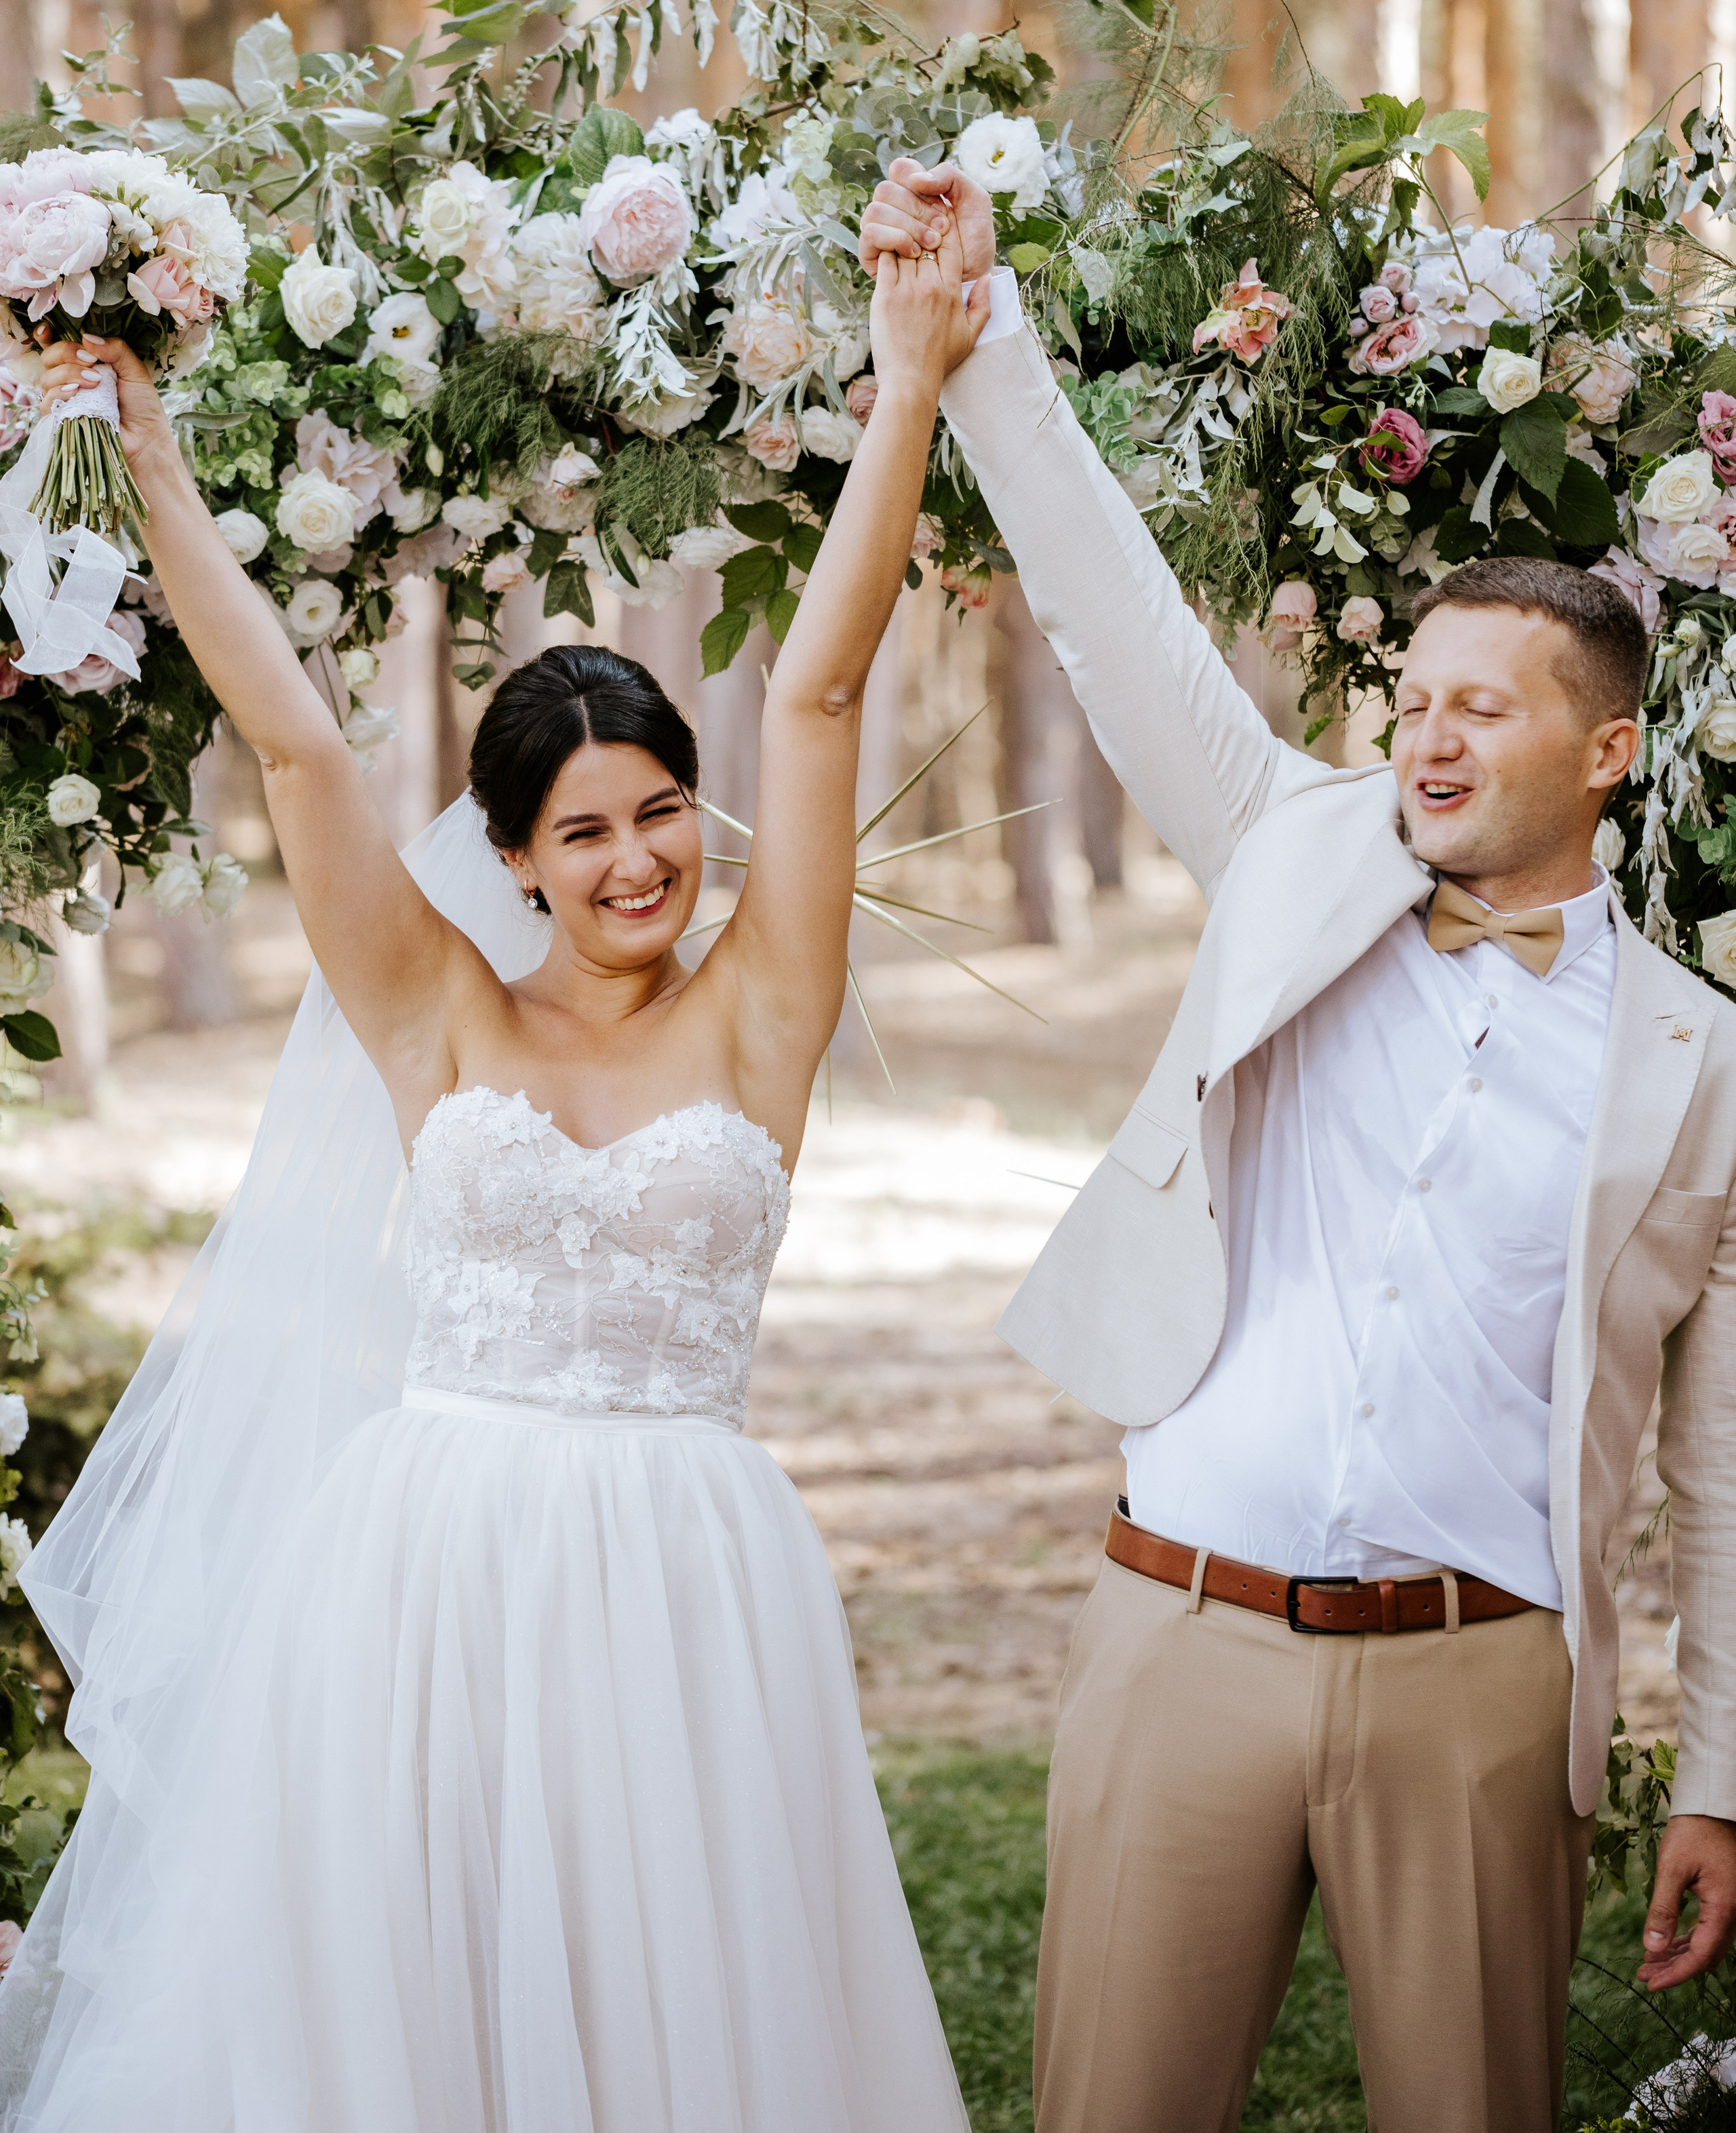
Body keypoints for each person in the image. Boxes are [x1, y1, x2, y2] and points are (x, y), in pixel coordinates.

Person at [0, 218, 989, 2132]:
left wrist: (912, 386)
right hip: (429, 1564)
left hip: (686, 1571)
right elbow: (295, 755)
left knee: (673, 1974)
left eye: (660, 815)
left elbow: (821, 695)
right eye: (583, 831)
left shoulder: (763, 1011)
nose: (638, 864)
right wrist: (158, 473)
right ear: (516, 855)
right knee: (424, 1985)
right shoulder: (435, 1016)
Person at [860, 158, 1736, 2133]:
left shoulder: (1701, 1062)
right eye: (1412, 698)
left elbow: (1721, 1460)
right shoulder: (1286, 848)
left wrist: (1719, 1776)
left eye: (1484, 713)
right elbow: (1109, 617)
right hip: (1181, 1631)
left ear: (1607, 754)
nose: (1426, 740)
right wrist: (984, 341)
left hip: (1484, 1687)